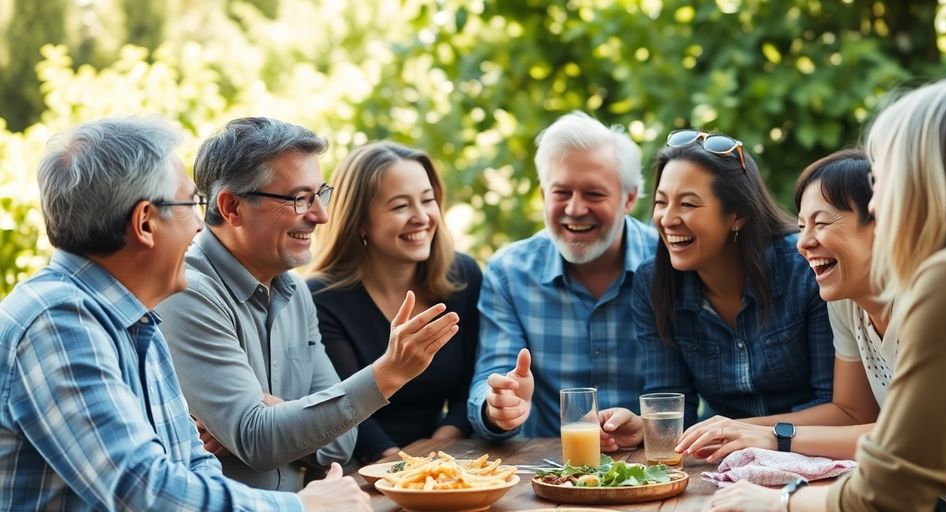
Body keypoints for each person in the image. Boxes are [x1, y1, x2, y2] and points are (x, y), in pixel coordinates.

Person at [0, 117, 370, 510]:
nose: (201, 225)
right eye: (191, 203)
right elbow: (144, 491)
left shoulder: (136, 320)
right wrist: (303, 507)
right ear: (145, 223)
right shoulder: (59, 321)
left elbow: (193, 467)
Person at [704, 78, 946, 512]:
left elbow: (891, 489)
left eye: (886, 177)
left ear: (925, 178)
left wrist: (780, 501)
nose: (876, 203)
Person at [155, 117, 459, 491]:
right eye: (300, 198)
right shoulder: (187, 292)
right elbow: (259, 441)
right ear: (232, 207)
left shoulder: (296, 295)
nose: (321, 215)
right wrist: (387, 373)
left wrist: (277, 416)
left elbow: (341, 444)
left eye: (320, 194)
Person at [607, 130, 833, 445]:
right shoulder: (653, 282)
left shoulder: (804, 269)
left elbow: (836, 406)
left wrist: (743, 430)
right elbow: (673, 406)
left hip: (817, 453)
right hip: (727, 459)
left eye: (687, 204)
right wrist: (646, 427)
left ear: (737, 215)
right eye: (661, 202)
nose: (667, 219)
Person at [677, 150, 891, 462]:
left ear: (879, 222)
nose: (803, 243)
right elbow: (851, 411)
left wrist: (776, 437)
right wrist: (733, 430)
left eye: (821, 222)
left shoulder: (929, 301)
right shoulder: (845, 300)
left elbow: (915, 438)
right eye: (802, 225)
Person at [467, 111, 658, 446]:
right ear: (543, 194)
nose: (574, 209)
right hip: (545, 472)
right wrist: (500, 407)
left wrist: (649, 425)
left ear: (629, 198)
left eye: (594, 194)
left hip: (655, 466)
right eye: (561, 192)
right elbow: (491, 377)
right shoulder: (509, 272)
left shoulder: (667, 264)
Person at [306, 141, 481, 463]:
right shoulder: (320, 298)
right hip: (360, 467)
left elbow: (470, 387)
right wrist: (405, 468)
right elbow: (345, 410)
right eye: (400, 206)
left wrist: (438, 452)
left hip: (448, 457)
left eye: (428, 200)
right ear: (359, 221)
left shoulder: (463, 276)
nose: (422, 217)